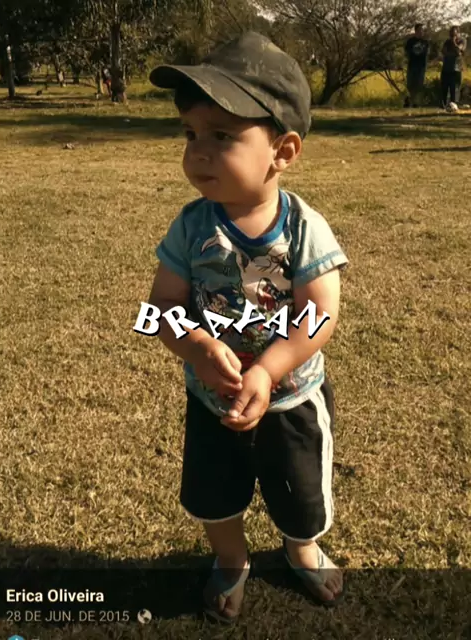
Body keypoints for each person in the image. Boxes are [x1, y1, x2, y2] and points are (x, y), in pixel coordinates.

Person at [147, 31, 348, 623]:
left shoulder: (303, 228)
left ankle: (301, 547)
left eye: (222, 136)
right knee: (215, 494)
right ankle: (232, 559)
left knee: (299, 492)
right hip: (213, 400)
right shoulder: (190, 227)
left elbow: (320, 313)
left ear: (282, 151)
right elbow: (159, 306)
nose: (198, 152)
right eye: (190, 134)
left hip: (291, 398)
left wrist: (269, 368)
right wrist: (195, 345)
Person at [404, 23, 429, 107]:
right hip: (412, 65)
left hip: (421, 66)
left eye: (422, 30)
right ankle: (411, 100)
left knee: (419, 85)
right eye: (420, 30)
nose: (421, 31)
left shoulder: (425, 42)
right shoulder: (410, 41)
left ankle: (415, 102)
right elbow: (407, 52)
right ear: (416, 31)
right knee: (410, 84)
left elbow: (426, 53)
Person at [441, 25, 467, 107]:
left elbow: (458, 51)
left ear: (458, 33)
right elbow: (444, 51)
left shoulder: (462, 40)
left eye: (454, 33)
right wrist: (453, 53)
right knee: (445, 88)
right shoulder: (447, 41)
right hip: (446, 68)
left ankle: (454, 105)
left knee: (455, 88)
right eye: (451, 34)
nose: (452, 35)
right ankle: (444, 105)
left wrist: (454, 42)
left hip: (456, 69)